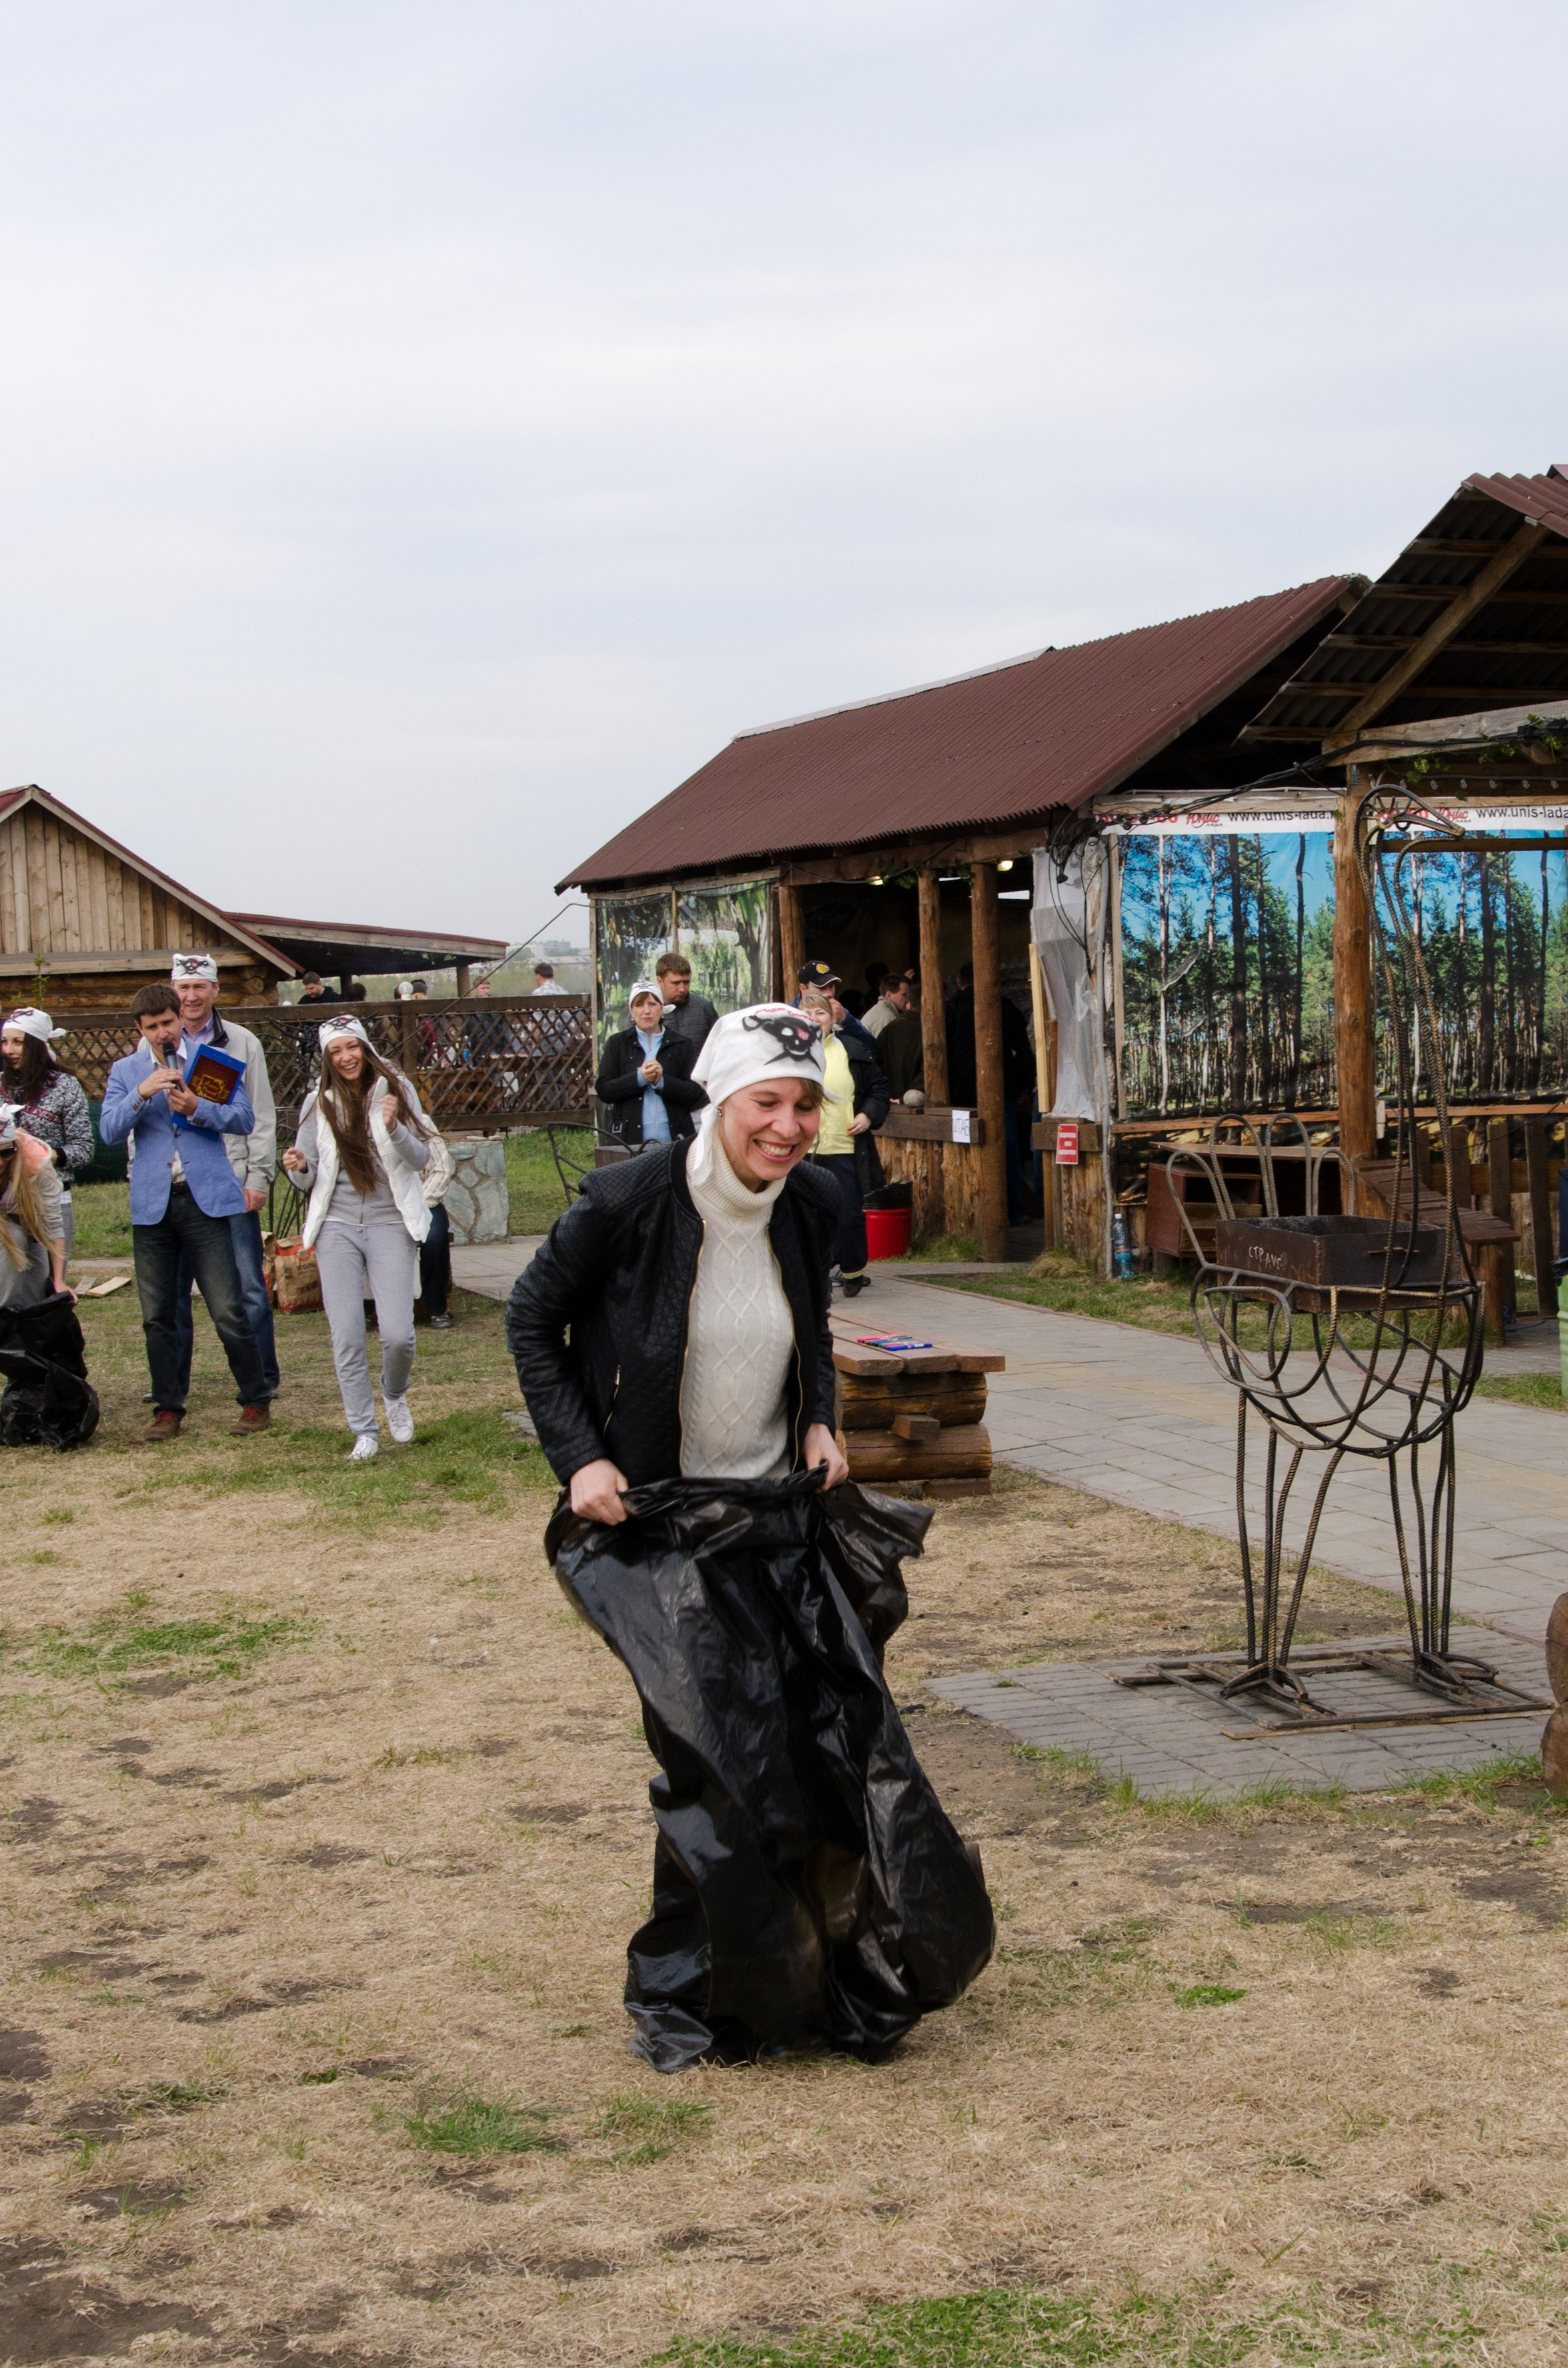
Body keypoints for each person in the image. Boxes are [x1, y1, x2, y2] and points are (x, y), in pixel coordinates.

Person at [507, 1002, 993, 2070]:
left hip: (776, 1514)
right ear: (720, 1098)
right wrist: (581, 1457)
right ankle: (695, 1993)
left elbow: (806, 1315)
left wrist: (820, 1413)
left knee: (813, 1748)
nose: (784, 1125)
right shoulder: (629, 1198)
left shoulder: (811, 1197)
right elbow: (531, 1320)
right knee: (713, 1765)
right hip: (657, 1526)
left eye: (803, 1103)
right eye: (765, 1102)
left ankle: (813, 1977)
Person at [99, 985, 272, 1441]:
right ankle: (168, 1408)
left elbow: (243, 1119)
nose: (162, 1033)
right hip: (154, 1203)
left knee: (227, 1308)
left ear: (181, 1021)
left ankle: (255, 1400)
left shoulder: (209, 1062)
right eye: (152, 1027)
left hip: (206, 1199)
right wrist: (141, 1093)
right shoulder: (126, 1071)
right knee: (158, 1314)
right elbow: (110, 1131)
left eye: (168, 1023)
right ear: (140, 1030)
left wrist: (199, 1108)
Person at [281, 1016, 438, 1460]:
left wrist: (394, 1128)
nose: (346, 1057)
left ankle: (394, 1392)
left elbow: (422, 1157)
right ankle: (364, 1430)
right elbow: (308, 1176)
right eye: (336, 1051)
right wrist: (296, 1167)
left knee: (398, 1335)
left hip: (390, 1221)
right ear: (328, 1059)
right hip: (337, 1225)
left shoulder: (397, 1090)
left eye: (352, 1047)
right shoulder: (317, 1102)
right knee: (347, 1334)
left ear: (365, 1049)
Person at [166, 953, 279, 1407]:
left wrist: (258, 1176)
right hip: (174, 1185)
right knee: (174, 1295)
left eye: (200, 987)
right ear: (173, 990)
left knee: (247, 1287)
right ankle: (173, 1384)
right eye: (183, 987)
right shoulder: (155, 1042)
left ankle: (263, 1376)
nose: (191, 996)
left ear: (215, 991)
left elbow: (263, 1116)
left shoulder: (241, 1042)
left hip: (231, 1181)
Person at [798, 989, 889, 1297]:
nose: (813, 1020)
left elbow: (879, 1088)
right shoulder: (789, 1054)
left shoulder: (852, 1049)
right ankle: (814, 1275)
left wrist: (867, 1115)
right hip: (801, 1150)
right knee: (807, 1217)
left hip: (843, 1146)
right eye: (807, 1014)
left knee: (848, 1214)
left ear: (832, 1018)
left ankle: (853, 1271)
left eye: (820, 1013)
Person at [945, 962, 1037, 1222]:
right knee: (1008, 1149)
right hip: (1000, 1092)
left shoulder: (951, 1008)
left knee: (964, 1153)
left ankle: (973, 1217)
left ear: (960, 983)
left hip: (960, 1095)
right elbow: (1023, 1051)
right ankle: (1016, 1212)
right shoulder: (1005, 1006)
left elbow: (938, 1053)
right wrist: (1022, 1087)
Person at [0, 1010, 94, 1264]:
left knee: (51, 1289)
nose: (8, 1049)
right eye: (4, 1041)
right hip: (5, 1203)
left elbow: (84, 1148)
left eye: (18, 1042)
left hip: (51, 1198)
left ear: (36, 1045)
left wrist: (46, 1155)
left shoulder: (64, 1086)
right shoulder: (0, 1086)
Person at [594, 982, 706, 1151]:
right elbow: (604, 1090)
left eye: (652, 1004)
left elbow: (696, 1093)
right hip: (629, 1142)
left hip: (676, 1141)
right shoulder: (617, 1044)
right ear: (632, 1012)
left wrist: (662, 1081)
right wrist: (639, 1078)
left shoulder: (682, 1044)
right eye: (639, 1004)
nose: (646, 1011)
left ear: (662, 1009)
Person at [0, 1103, 71, 1308]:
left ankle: (24, 1334)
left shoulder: (36, 1161)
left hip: (30, 1223)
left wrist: (59, 1280)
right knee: (13, 1239)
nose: (2, 1162)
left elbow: (53, 1222)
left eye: (7, 1153)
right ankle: (5, 1320)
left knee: (37, 1295)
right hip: (9, 1229)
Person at [796, 961, 876, 1052]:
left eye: (831, 986)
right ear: (803, 989)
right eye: (821, 988)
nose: (829, 993)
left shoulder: (840, 1011)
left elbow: (871, 1050)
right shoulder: (788, 1014)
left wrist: (846, 1021)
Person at [654, 952, 718, 1055]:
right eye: (676, 983)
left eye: (686, 982)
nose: (682, 989)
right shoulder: (645, 1012)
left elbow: (719, 1047)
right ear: (660, 981)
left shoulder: (704, 1008)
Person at [862, 971, 914, 1040]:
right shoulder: (886, 1019)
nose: (908, 999)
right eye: (904, 995)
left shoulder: (882, 1011)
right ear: (889, 995)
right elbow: (892, 1049)